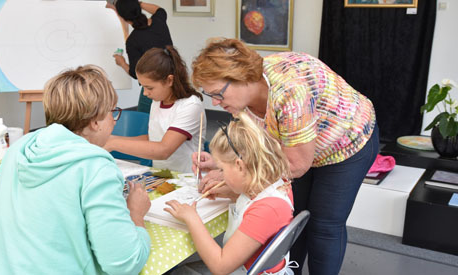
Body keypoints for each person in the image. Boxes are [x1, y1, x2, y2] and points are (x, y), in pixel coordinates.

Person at [191, 38, 380, 275]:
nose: (215, 102)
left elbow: (297, 165)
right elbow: (253, 148)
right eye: (209, 94)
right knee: (292, 220)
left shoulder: (290, 94)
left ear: (243, 78)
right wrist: (223, 164)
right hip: (294, 148)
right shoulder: (242, 101)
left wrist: (232, 173)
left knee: (324, 226)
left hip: (345, 142)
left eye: (217, 94)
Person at [0, 65, 151, 274]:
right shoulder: (95, 167)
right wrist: (136, 215)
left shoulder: (18, 149)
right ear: (95, 121)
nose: (114, 121)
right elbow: (123, 263)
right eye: (112, 113)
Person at [165, 112, 294, 274]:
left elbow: (220, 266)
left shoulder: (267, 210)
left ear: (240, 166)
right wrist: (232, 194)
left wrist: (192, 219)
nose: (220, 174)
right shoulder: (276, 182)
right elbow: (255, 206)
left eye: (221, 169)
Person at [105, 46, 206, 173]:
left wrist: (112, 143)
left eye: (150, 88)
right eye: (142, 86)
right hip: (163, 175)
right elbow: (153, 139)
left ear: (169, 80)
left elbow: (163, 150)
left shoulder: (191, 105)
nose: (145, 93)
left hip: (187, 177)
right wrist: (110, 138)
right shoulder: (157, 101)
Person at [108, 0, 173, 114]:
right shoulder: (159, 21)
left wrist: (122, 63)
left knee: (145, 122)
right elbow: (160, 10)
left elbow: (135, 73)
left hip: (152, 87)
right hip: (174, 80)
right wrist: (136, 3)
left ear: (124, 18)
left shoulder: (133, 41)